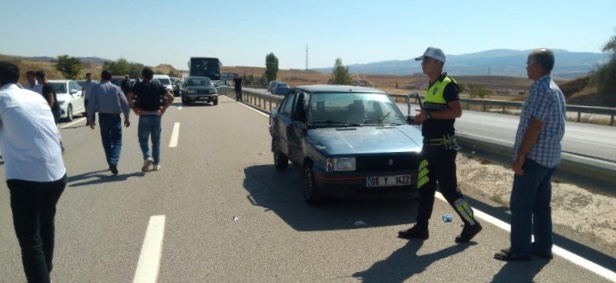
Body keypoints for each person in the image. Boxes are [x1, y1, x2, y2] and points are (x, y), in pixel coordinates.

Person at [398, 47, 482, 243]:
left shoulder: (447, 85)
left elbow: (456, 112)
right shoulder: (432, 84)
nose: (422, 63)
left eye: (426, 60)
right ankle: (421, 227)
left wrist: (428, 115)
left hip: (443, 148)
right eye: (423, 60)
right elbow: (436, 114)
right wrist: (423, 117)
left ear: (437, 63)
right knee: (424, 187)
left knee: (449, 190)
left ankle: (471, 223)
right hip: (428, 147)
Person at [494, 48, 566, 261]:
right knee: (541, 206)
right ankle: (543, 247)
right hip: (549, 159)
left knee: (521, 205)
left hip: (535, 158)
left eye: (528, 64)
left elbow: (535, 125)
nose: (526, 67)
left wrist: (521, 156)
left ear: (537, 66)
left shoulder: (542, 90)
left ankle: (520, 250)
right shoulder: (555, 89)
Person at [0, 61, 67, 283]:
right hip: (57, 175)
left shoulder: (3, 99)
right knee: (45, 224)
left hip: (26, 179)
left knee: (30, 240)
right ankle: (44, 272)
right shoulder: (34, 96)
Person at [127, 67, 174, 172]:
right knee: (156, 141)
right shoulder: (158, 86)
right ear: (152, 76)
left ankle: (147, 156)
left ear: (142, 76)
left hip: (144, 115)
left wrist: (134, 108)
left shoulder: (138, 86)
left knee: (143, 139)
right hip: (156, 116)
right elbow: (171, 98)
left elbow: (129, 96)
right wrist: (163, 109)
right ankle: (156, 164)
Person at [86, 70, 131, 175]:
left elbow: (90, 104)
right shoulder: (116, 88)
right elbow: (125, 104)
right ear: (111, 78)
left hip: (103, 117)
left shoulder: (96, 88)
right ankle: (113, 161)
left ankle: (110, 162)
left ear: (102, 77)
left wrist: (90, 119)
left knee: (106, 141)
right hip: (115, 117)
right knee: (117, 141)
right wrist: (127, 118)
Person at [35, 71, 64, 152]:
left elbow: (51, 99)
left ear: (41, 78)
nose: (37, 81)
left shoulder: (47, 86)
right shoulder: (47, 85)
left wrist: (48, 110)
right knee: (51, 129)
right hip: (54, 110)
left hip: (54, 110)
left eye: (37, 79)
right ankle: (59, 146)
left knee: (50, 129)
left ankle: (59, 146)